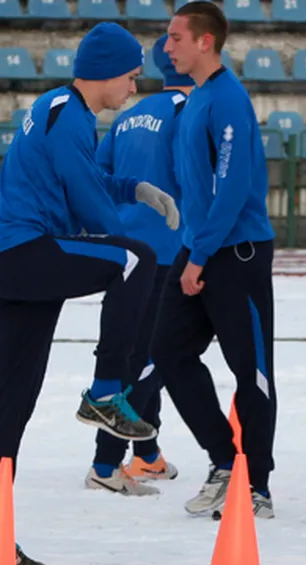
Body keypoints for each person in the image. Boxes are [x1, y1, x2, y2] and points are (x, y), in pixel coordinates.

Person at [0, 23, 179, 565]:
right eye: (133, 77)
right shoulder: (70, 115)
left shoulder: (60, 109)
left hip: (4, 263)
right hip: (26, 253)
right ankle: (107, 391)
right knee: (138, 258)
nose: (134, 89)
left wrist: (134, 187)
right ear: (110, 71)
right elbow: (89, 206)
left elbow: (82, 178)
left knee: (11, 403)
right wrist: (119, 230)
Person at [159, 1, 277, 519]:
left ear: (205, 41)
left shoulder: (228, 99)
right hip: (199, 244)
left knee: (250, 371)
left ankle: (257, 484)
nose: (167, 47)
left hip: (235, 251)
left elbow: (232, 188)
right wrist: (192, 247)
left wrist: (200, 254)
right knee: (169, 351)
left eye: (175, 38)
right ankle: (226, 461)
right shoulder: (197, 99)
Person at [86, 35, 193, 495]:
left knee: (143, 350)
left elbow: (100, 173)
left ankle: (146, 453)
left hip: (127, 247)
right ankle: (106, 463)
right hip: (170, 248)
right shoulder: (191, 114)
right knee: (151, 359)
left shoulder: (128, 116)